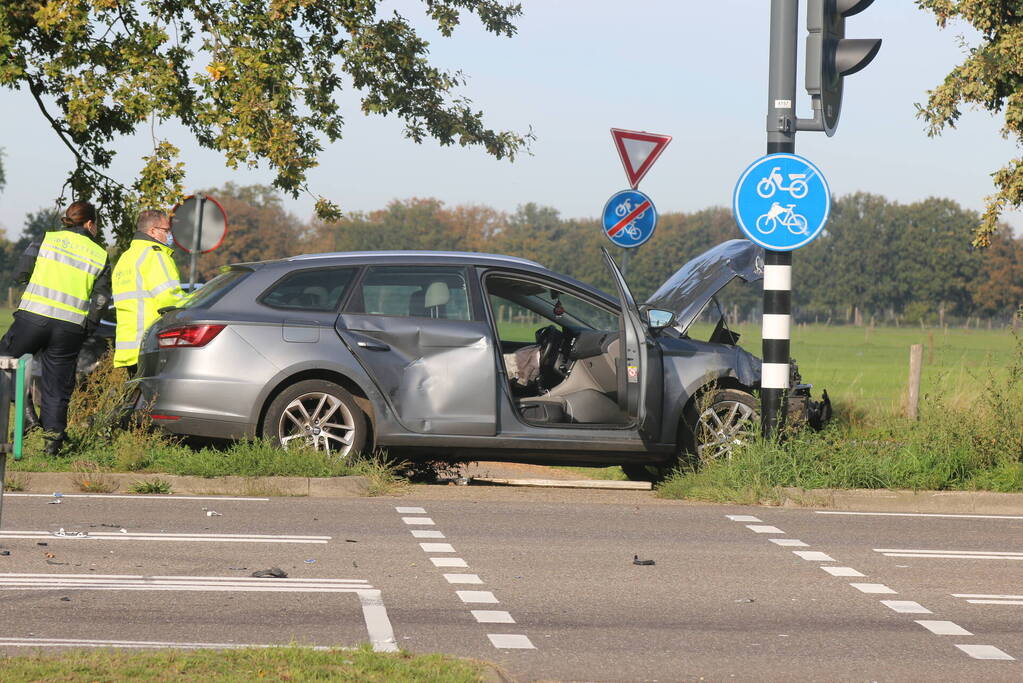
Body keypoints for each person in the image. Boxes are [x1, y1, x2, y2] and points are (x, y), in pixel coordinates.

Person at [0, 201, 111, 455]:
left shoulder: (45, 240)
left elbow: (20, 274)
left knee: (4, 362)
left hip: (33, 319)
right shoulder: (100, 255)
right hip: (70, 328)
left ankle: (27, 415)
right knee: (57, 386)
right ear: (90, 223)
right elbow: (102, 300)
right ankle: (52, 446)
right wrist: (87, 328)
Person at [112, 209, 187, 376]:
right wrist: (194, 305)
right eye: (166, 230)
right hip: (150, 344)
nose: (170, 235)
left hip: (129, 346)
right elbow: (170, 298)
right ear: (153, 231)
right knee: (153, 401)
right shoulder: (155, 255)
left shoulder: (126, 257)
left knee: (136, 400)